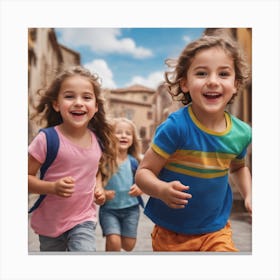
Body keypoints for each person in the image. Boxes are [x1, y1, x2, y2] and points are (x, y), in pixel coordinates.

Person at [135, 34, 252, 252]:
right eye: (201, 73)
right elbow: (144, 174)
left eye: (224, 74)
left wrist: (250, 195)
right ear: (185, 83)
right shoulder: (176, 127)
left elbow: (238, 167)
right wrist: (161, 189)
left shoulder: (242, 133)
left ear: (235, 85)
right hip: (171, 232)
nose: (213, 81)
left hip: (216, 230)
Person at [28, 65, 118, 252]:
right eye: (69, 96)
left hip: (83, 219)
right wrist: (51, 187)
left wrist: (98, 187)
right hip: (50, 224)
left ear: (95, 107)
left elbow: (95, 171)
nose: (78, 102)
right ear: (56, 104)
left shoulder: (97, 141)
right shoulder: (46, 139)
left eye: (86, 97)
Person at [99, 117, 143, 251]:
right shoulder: (105, 160)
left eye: (128, 133)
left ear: (133, 139)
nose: (123, 136)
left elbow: (144, 180)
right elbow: (97, 182)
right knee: (114, 240)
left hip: (131, 209)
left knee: (128, 246)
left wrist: (140, 187)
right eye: (118, 132)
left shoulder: (135, 161)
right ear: (109, 136)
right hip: (109, 210)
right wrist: (103, 192)